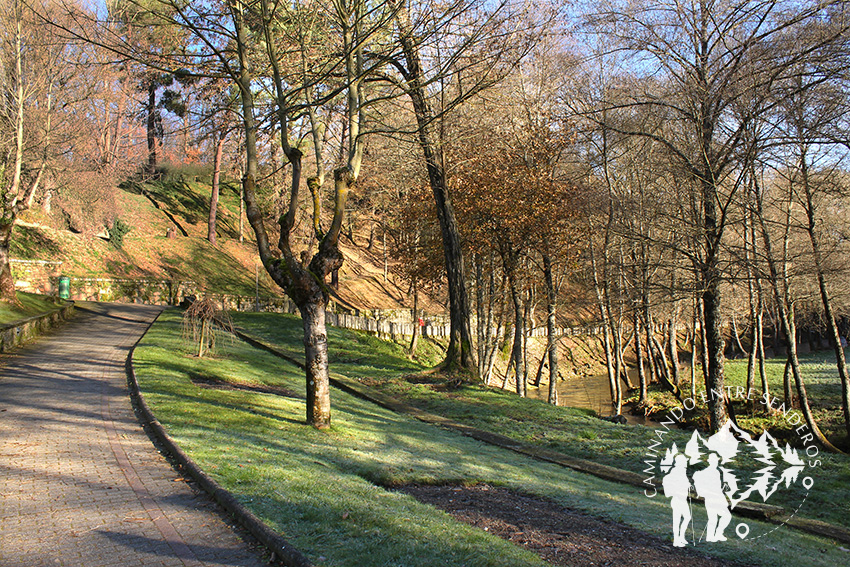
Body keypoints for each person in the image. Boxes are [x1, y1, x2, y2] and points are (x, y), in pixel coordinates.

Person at [692, 453, 732, 542]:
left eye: (716, 461)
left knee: (725, 516)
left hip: (717, 497)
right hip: (711, 497)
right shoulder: (707, 472)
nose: (715, 462)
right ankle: (712, 536)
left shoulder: (716, 472)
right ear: (710, 461)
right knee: (714, 518)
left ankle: (717, 534)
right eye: (713, 461)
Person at [662, 454, 692, 547]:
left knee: (687, 517)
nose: (686, 463)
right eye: (684, 462)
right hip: (677, 499)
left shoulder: (682, 472)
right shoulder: (675, 472)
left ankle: (681, 537)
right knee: (677, 520)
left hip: (683, 499)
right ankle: (676, 540)